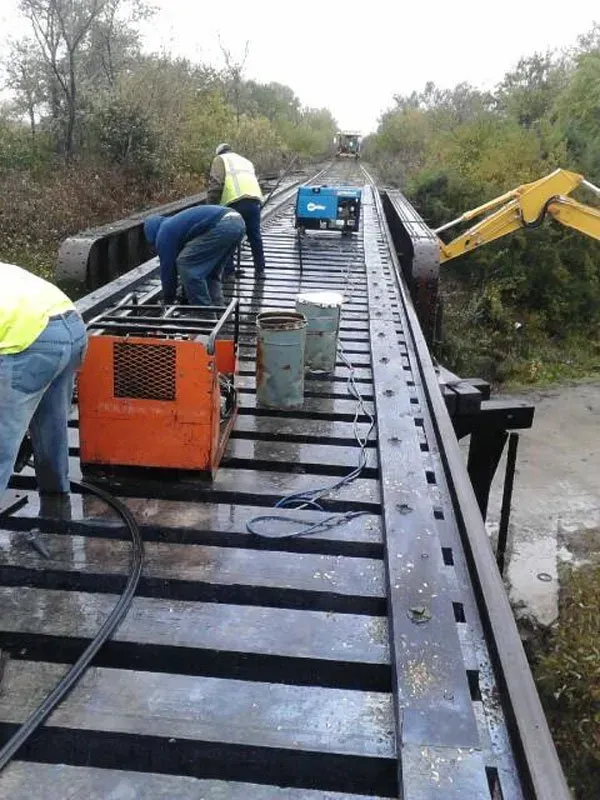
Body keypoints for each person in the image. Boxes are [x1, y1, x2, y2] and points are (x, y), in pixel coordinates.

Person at [0, 263, 88, 501]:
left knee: (2, 439)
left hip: (31, 341)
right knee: (51, 423)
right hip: (73, 329)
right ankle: (56, 495)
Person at [144, 205, 245, 307]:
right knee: (210, 274)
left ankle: (203, 313)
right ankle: (218, 310)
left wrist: (168, 300)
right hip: (237, 222)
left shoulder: (163, 233)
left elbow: (168, 271)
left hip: (223, 224)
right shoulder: (175, 225)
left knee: (185, 264)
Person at [207, 143, 266, 277]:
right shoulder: (245, 161)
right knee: (255, 236)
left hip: (234, 202)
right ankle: (260, 270)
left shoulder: (220, 160)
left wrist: (210, 206)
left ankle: (229, 272)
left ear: (219, 152)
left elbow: (216, 183)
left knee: (228, 236)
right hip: (254, 201)